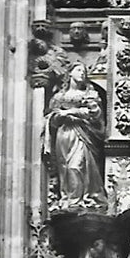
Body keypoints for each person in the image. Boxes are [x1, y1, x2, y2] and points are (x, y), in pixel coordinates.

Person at [45, 64, 106, 208]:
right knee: (65, 166)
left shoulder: (90, 95)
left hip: (84, 134)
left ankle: (79, 200)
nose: (82, 74)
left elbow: (95, 114)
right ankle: (67, 197)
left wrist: (69, 112)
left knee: (76, 166)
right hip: (64, 135)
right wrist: (59, 116)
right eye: (79, 70)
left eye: (84, 71)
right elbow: (52, 119)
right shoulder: (59, 97)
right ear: (70, 73)